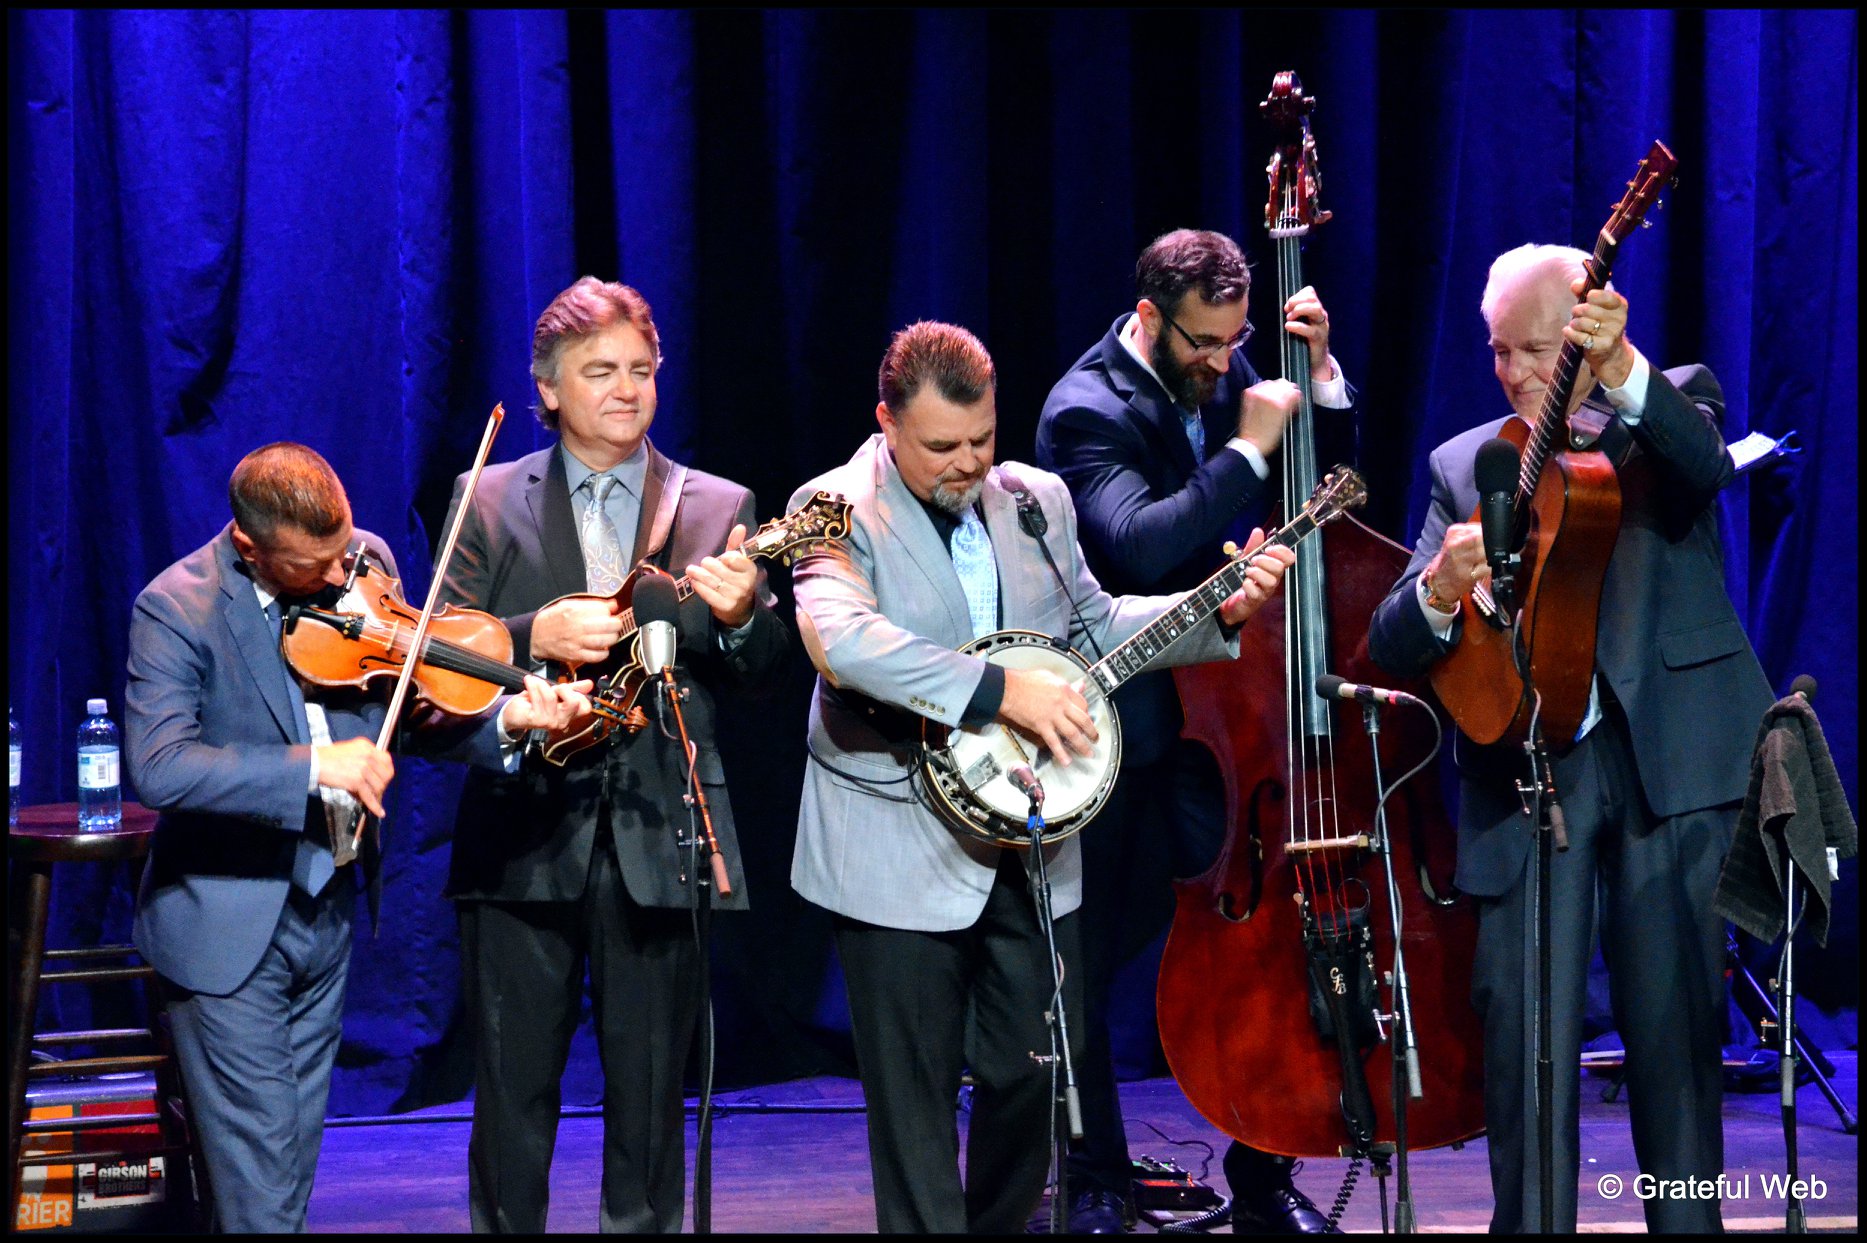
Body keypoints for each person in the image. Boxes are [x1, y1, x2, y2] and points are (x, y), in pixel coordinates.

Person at [786, 320, 1296, 1234]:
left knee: (1031, 1068)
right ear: (885, 423)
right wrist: (998, 692)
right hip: (893, 841)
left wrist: (1217, 605)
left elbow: (1095, 626)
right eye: (942, 446)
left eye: (982, 438)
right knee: (913, 1097)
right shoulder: (828, 505)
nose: (967, 463)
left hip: (1029, 834)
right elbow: (845, 643)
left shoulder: (1035, 498)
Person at [1366, 244, 1773, 1232]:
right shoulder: (1465, 464)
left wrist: (1625, 364)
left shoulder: (1664, 405)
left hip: (1661, 765)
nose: (1510, 372)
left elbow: (1704, 463)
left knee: (1673, 1038)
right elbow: (1389, 635)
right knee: (1524, 1043)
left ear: (1586, 339)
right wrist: (1438, 587)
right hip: (1526, 775)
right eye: (1497, 351)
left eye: (1533, 350)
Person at [125, 441, 588, 1233]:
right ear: (249, 546)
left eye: (343, 550)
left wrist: (507, 718)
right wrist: (313, 766)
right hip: (226, 923)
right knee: (261, 1179)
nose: (342, 575)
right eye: (315, 566)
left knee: (291, 1161)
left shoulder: (363, 560)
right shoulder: (176, 607)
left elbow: (410, 707)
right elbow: (162, 766)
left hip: (327, 909)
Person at [435, 276, 790, 1233]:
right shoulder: (488, 497)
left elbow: (760, 667)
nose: (626, 388)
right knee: (512, 1098)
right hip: (520, 833)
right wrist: (529, 629)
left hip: (659, 826)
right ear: (548, 389)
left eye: (641, 369)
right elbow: (435, 662)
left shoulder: (718, 505)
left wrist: (740, 614)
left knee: (647, 1102)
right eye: (600, 372)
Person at [1035, 227, 1351, 1233]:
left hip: (1229, 720)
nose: (1224, 363)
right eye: (1205, 344)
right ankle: (1092, 1177)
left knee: (1263, 938)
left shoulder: (1220, 362)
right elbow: (1133, 545)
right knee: (1088, 953)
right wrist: (1249, 445)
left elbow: (1325, 499)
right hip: (1121, 722)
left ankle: (1266, 1169)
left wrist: (1323, 383)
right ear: (1147, 320)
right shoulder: (1082, 409)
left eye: (1235, 339)